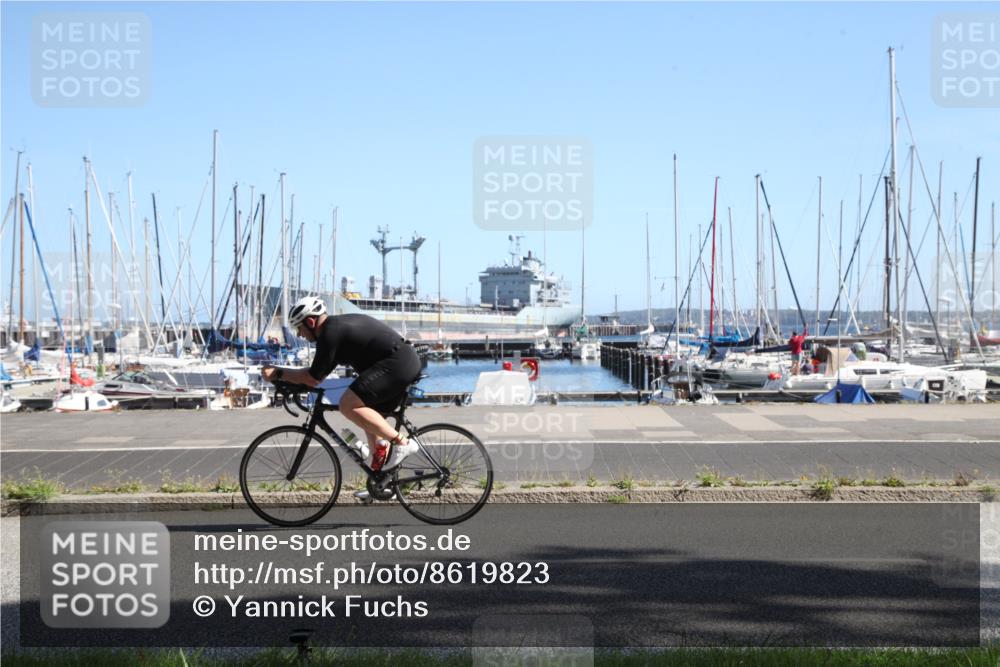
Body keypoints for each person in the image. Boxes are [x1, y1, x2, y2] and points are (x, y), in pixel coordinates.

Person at [261, 296, 422, 490]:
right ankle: (382, 484)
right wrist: (289, 380)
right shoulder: (335, 329)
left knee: (348, 404)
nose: (300, 334)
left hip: (397, 363)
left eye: (300, 328)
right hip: (399, 361)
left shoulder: (330, 333)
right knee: (367, 416)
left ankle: (402, 442)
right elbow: (317, 375)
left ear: (311, 322)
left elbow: (313, 378)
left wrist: (279, 373)